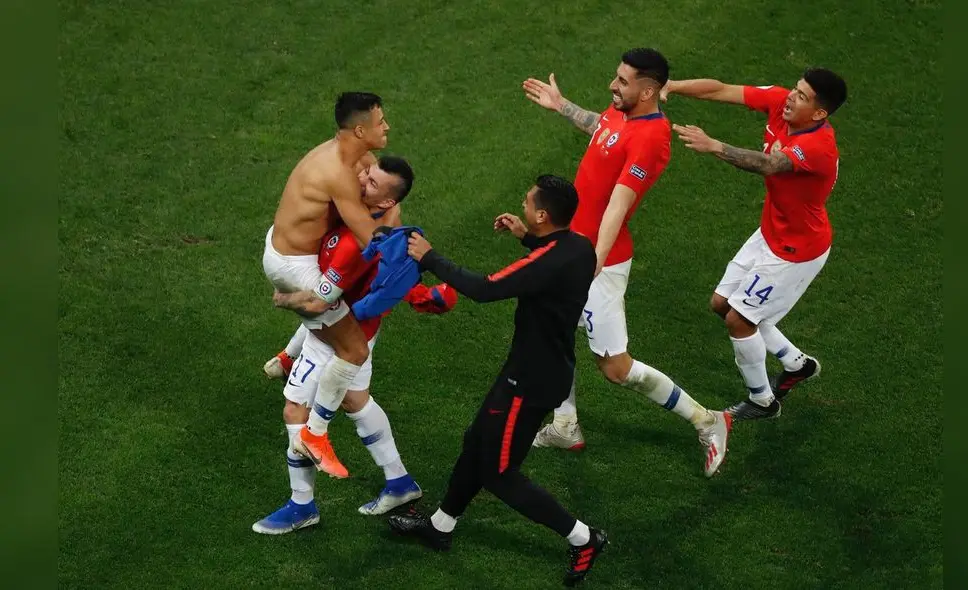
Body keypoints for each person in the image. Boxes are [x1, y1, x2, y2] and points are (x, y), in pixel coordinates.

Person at [387, 175, 608, 587]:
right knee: (477, 442)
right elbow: (549, 266)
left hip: (529, 382)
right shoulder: (578, 246)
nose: (522, 205)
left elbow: (487, 289)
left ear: (544, 215)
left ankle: (584, 538)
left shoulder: (552, 258)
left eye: (528, 204)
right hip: (542, 370)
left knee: (500, 473)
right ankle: (441, 526)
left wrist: (430, 258)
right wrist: (527, 237)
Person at [522, 48, 730, 476]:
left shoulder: (653, 137)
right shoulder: (622, 113)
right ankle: (565, 425)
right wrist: (562, 106)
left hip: (601, 261)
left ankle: (708, 420)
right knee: (549, 330)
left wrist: (591, 262)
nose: (612, 87)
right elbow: (603, 130)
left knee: (615, 368)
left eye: (622, 81)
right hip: (574, 248)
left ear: (649, 90)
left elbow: (618, 205)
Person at [254, 156, 434, 534]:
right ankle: (400, 483)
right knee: (355, 400)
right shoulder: (376, 211)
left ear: (384, 203)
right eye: (368, 174)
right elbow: (378, 188)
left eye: (371, 184)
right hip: (362, 324)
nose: (362, 181)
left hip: (336, 333)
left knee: (295, 412)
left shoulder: (355, 243)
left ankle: (301, 505)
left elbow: (319, 303)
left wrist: (284, 298)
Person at [666, 68, 847, 419]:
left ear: (821, 113)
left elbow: (768, 164)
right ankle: (797, 365)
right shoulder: (783, 103)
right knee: (722, 304)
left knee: (739, 321)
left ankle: (762, 401)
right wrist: (673, 86)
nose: (791, 97)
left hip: (796, 251)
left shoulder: (818, 146)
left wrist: (714, 145)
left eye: (803, 96)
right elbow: (721, 87)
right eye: (796, 89)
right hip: (770, 232)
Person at [261, 92, 394, 477]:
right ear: (359, 129)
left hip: (294, 247)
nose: (386, 126)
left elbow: (382, 193)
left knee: (338, 307)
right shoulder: (337, 172)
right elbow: (373, 242)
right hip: (294, 267)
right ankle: (315, 434)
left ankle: (288, 358)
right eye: (380, 121)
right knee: (353, 348)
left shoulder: (354, 157)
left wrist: (390, 205)